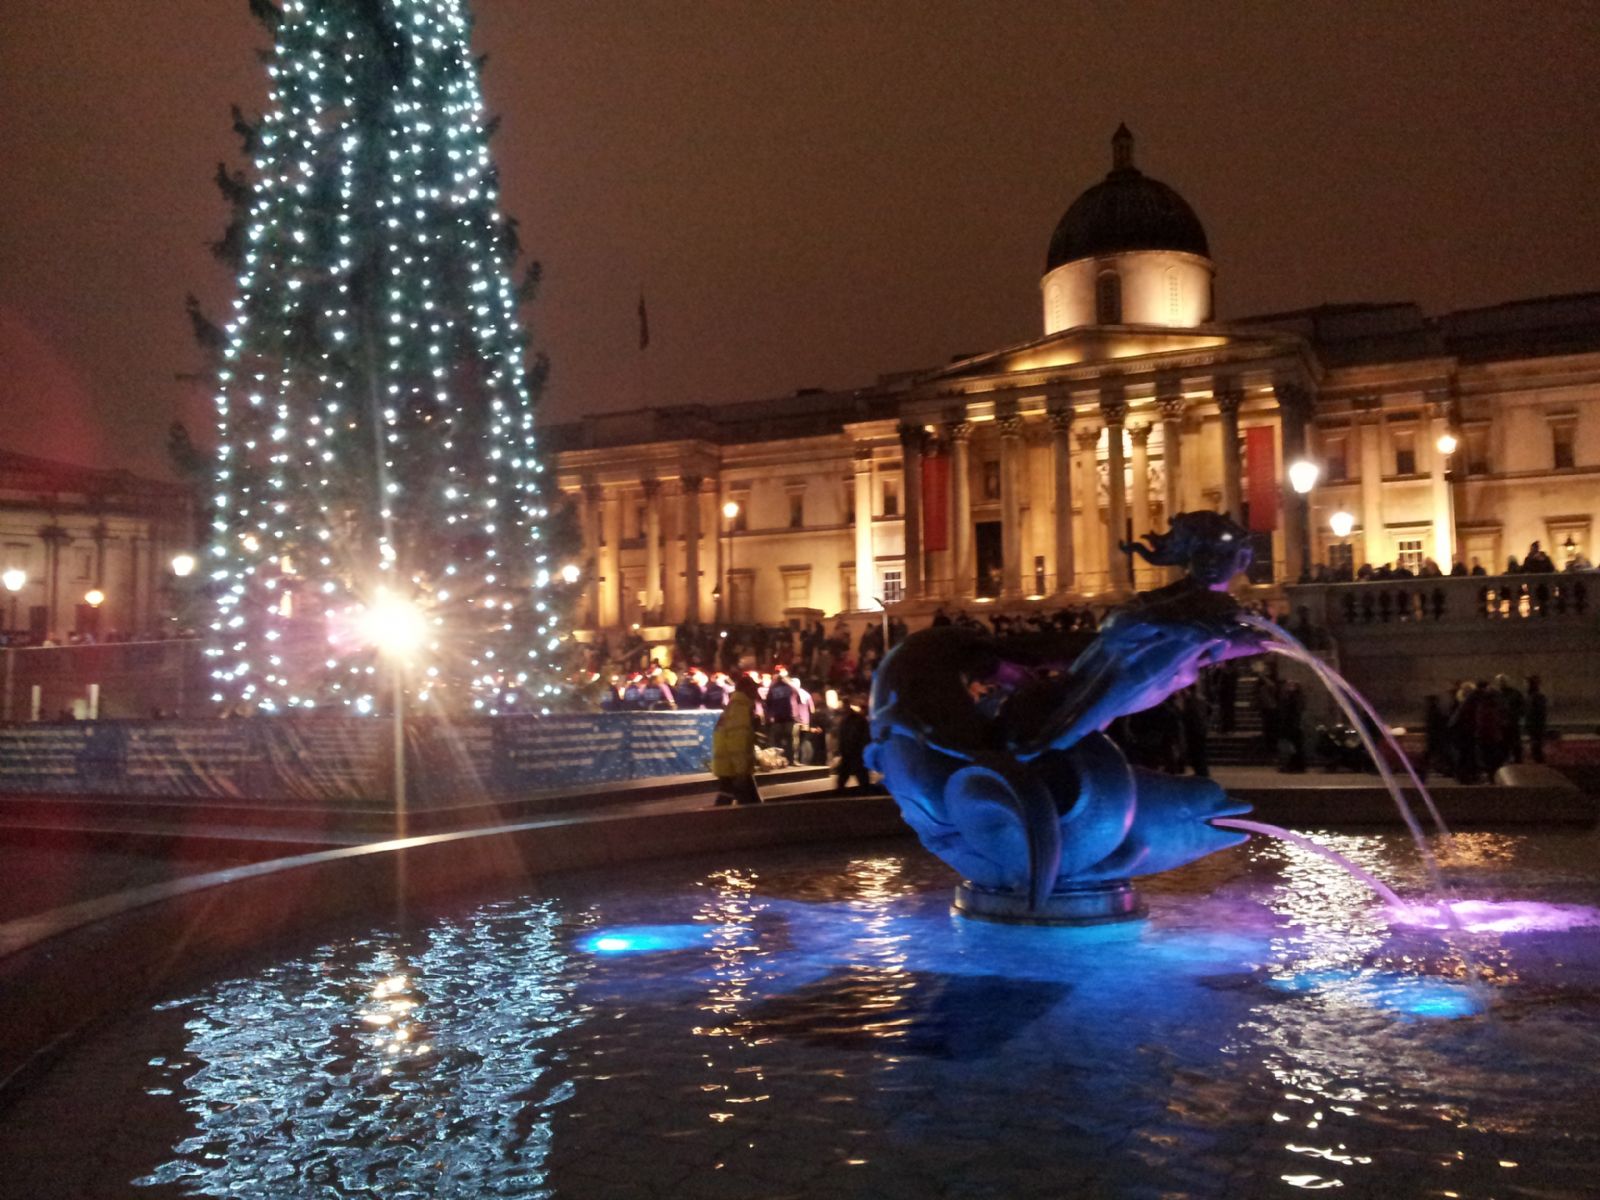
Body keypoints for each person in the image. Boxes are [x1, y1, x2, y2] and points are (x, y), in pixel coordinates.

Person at [711, 674, 762, 806]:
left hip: (728, 764)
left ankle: (713, 823)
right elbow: (738, 741)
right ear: (747, 689)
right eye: (754, 688)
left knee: (727, 797)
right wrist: (741, 770)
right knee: (752, 807)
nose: (757, 692)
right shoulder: (741, 708)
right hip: (734, 766)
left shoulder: (734, 705)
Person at [833, 698, 872, 792]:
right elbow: (865, 735)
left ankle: (841, 789)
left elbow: (843, 735)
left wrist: (841, 748)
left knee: (847, 771)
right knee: (858, 771)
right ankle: (865, 789)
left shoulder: (848, 720)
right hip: (855, 749)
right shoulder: (858, 719)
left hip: (851, 749)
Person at [763, 667, 797, 765]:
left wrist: (787, 681)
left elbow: (796, 691)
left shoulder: (788, 686)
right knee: (777, 739)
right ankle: (778, 760)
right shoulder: (772, 688)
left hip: (787, 715)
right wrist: (770, 715)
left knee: (789, 738)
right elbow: (768, 703)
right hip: (778, 716)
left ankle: (790, 759)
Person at [1526, 675, 1548, 763]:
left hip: (1536, 724)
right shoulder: (1532, 696)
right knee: (1535, 745)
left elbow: (1540, 713)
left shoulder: (1537, 697)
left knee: (1536, 745)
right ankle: (1538, 761)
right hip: (1533, 724)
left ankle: (1539, 762)